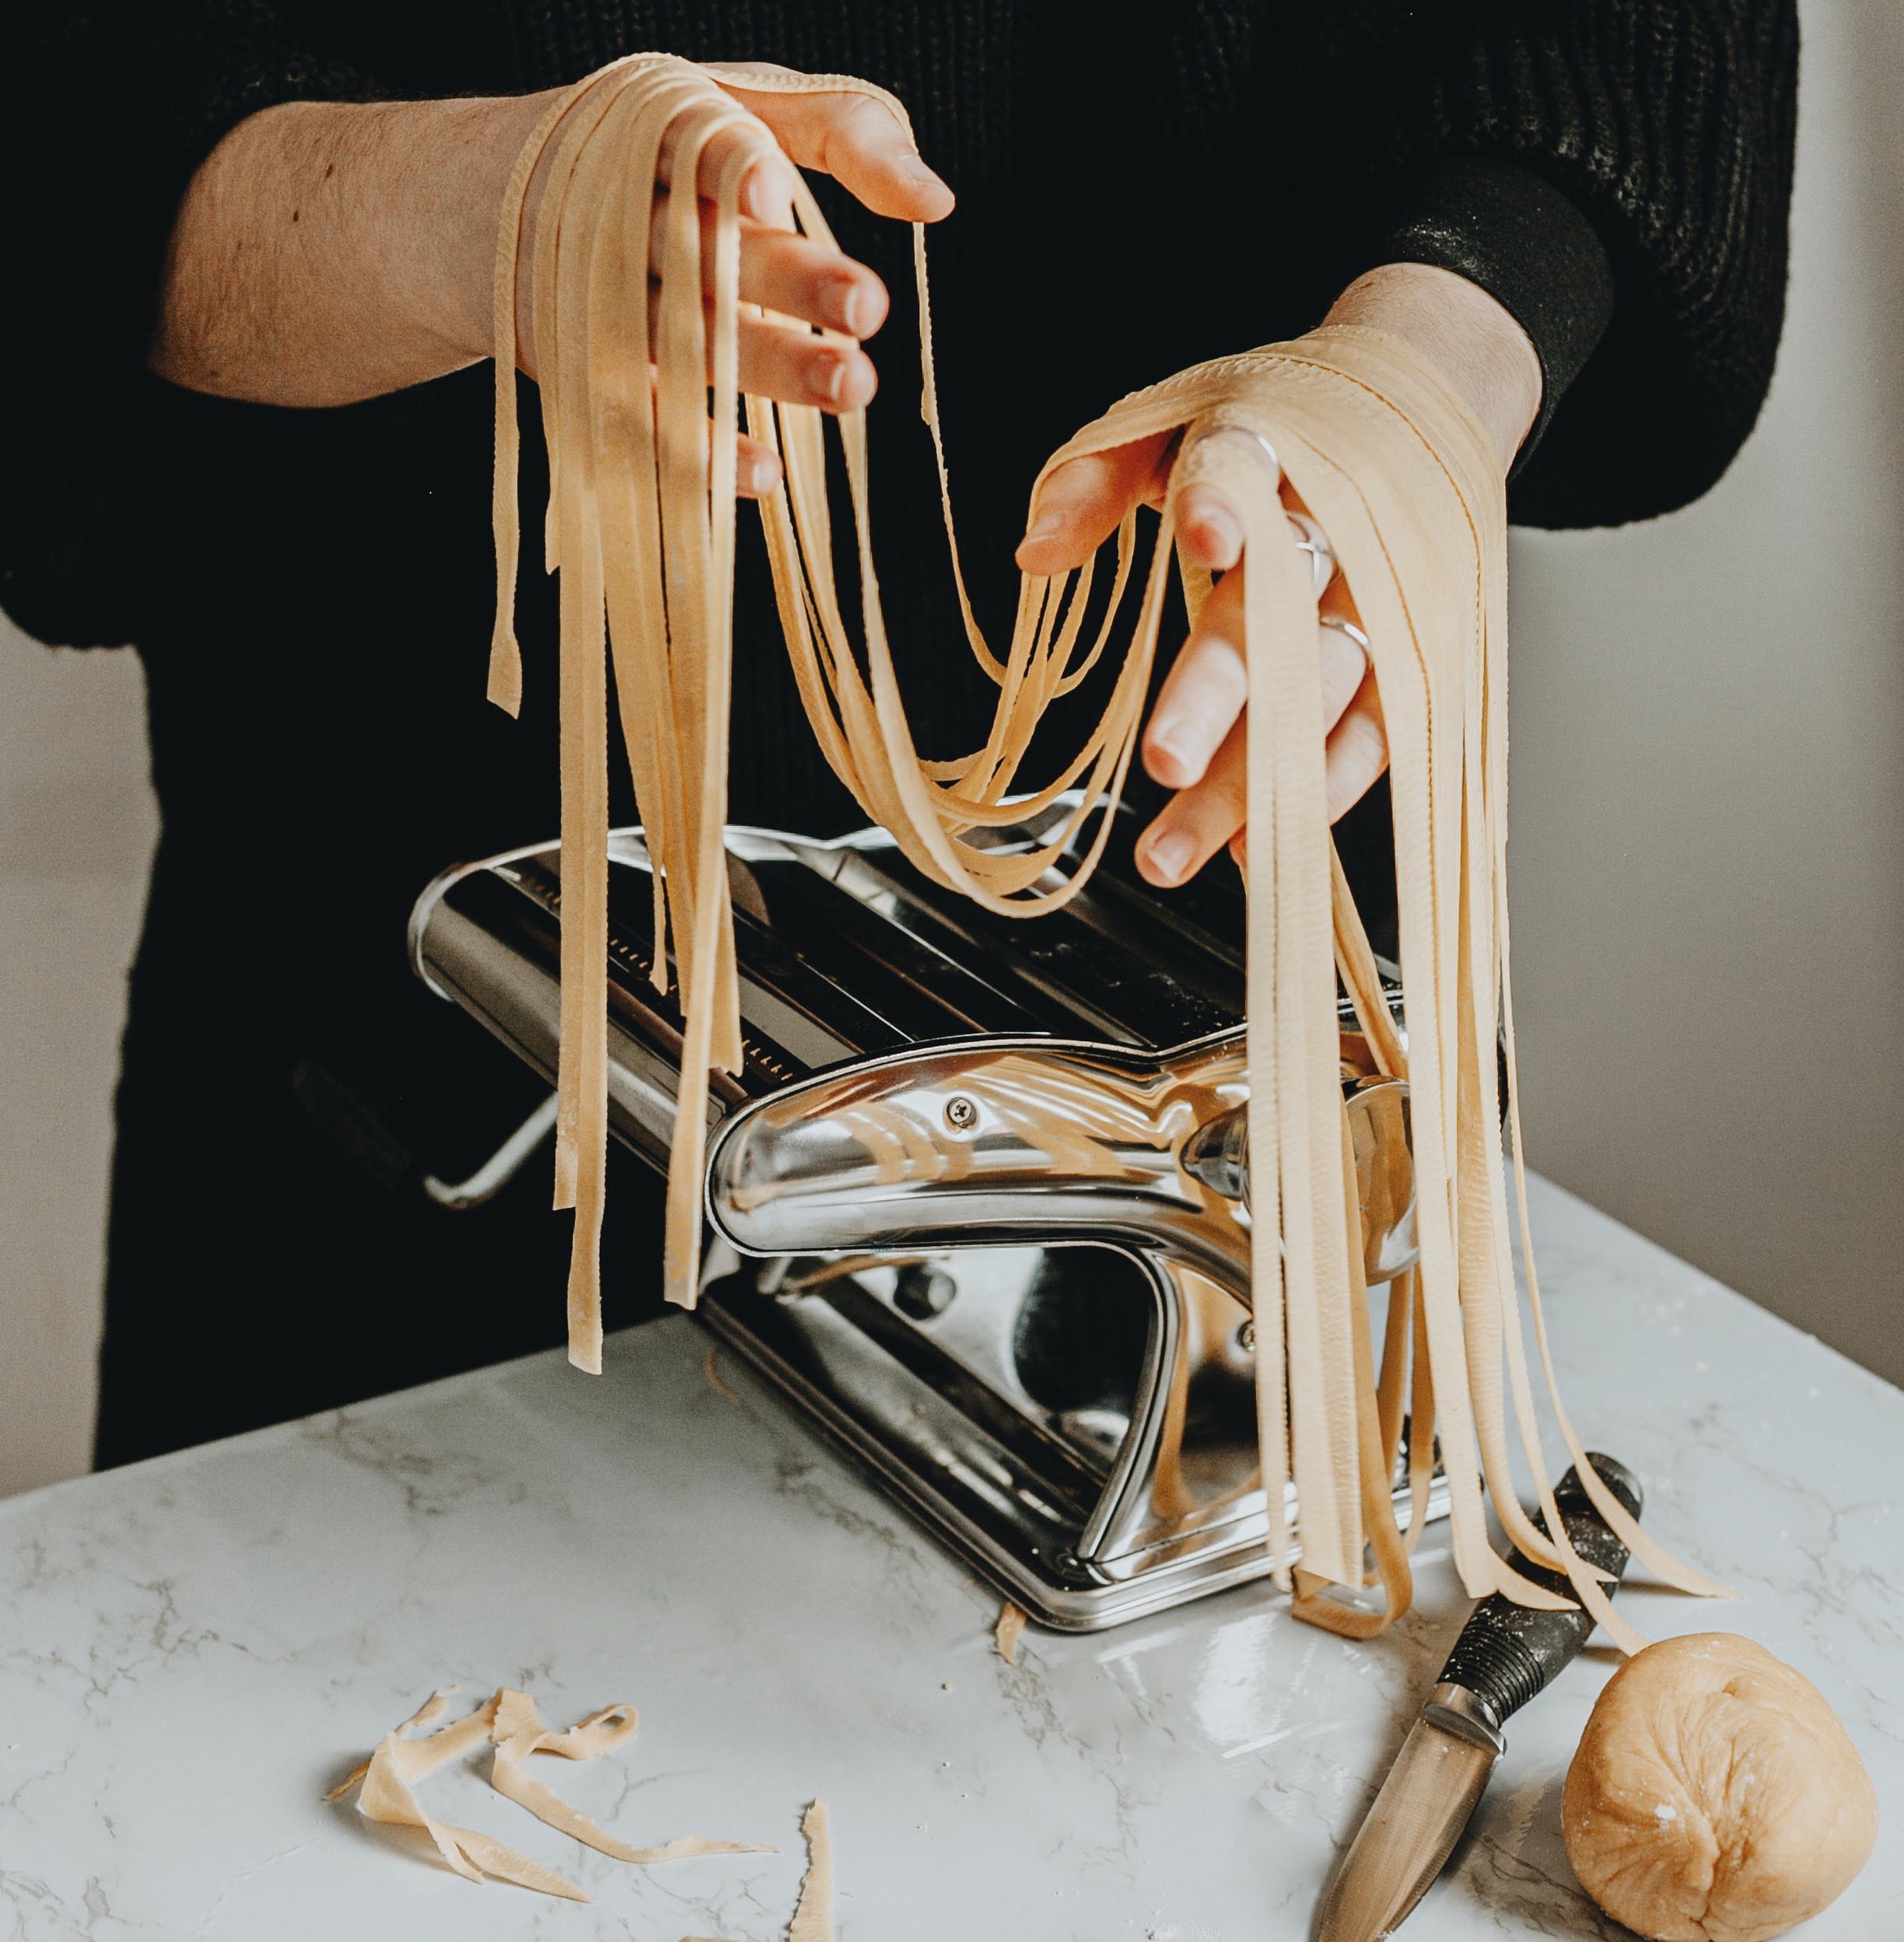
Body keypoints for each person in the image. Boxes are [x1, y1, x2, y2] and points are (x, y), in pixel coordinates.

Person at [1, 3, 1797, 1468]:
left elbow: (1628, 42)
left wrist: (1419, 375)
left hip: (1231, 1151)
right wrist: (459, 208)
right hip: (415, 1150)